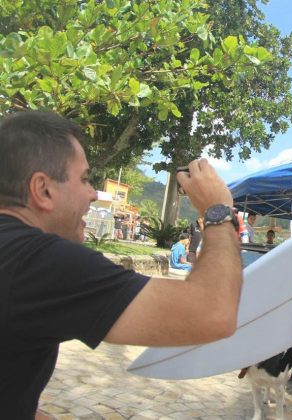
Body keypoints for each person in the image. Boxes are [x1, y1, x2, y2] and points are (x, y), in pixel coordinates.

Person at [0, 111, 243, 419]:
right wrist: (218, 210)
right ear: (43, 189)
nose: (93, 193)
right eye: (85, 179)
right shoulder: (39, 262)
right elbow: (214, 313)